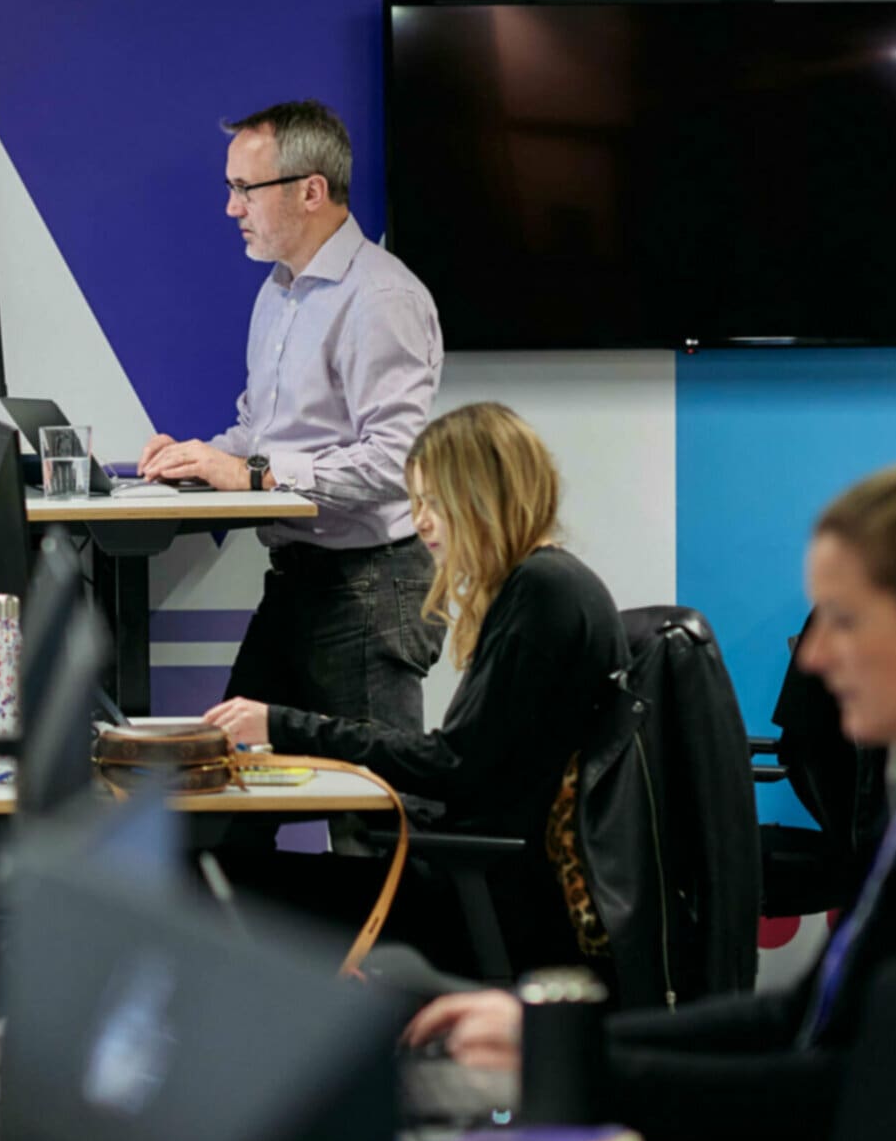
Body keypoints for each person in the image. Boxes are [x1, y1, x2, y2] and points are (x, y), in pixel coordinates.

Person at [405, 424, 896, 1141]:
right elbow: (801, 1015)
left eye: (845, 619)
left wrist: (579, 1071)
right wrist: (553, 1038)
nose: (816, 658)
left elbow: (861, 1087)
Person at [205, 403, 628, 976]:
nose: (421, 521)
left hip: (482, 898)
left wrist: (283, 725)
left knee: (211, 876)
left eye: (433, 503)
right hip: (475, 878)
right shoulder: (547, 585)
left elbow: (451, 765)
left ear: (484, 495)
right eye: (416, 502)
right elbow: (467, 764)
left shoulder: (542, 594)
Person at [140, 99, 444, 732]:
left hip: (369, 585)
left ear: (311, 192)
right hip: (298, 581)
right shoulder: (279, 290)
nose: (231, 208)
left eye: (245, 189)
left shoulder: (381, 298)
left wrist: (253, 476)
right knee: (230, 783)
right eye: (231, 188)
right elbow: (260, 434)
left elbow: (396, 463)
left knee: (371, 820)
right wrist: (197, 460)